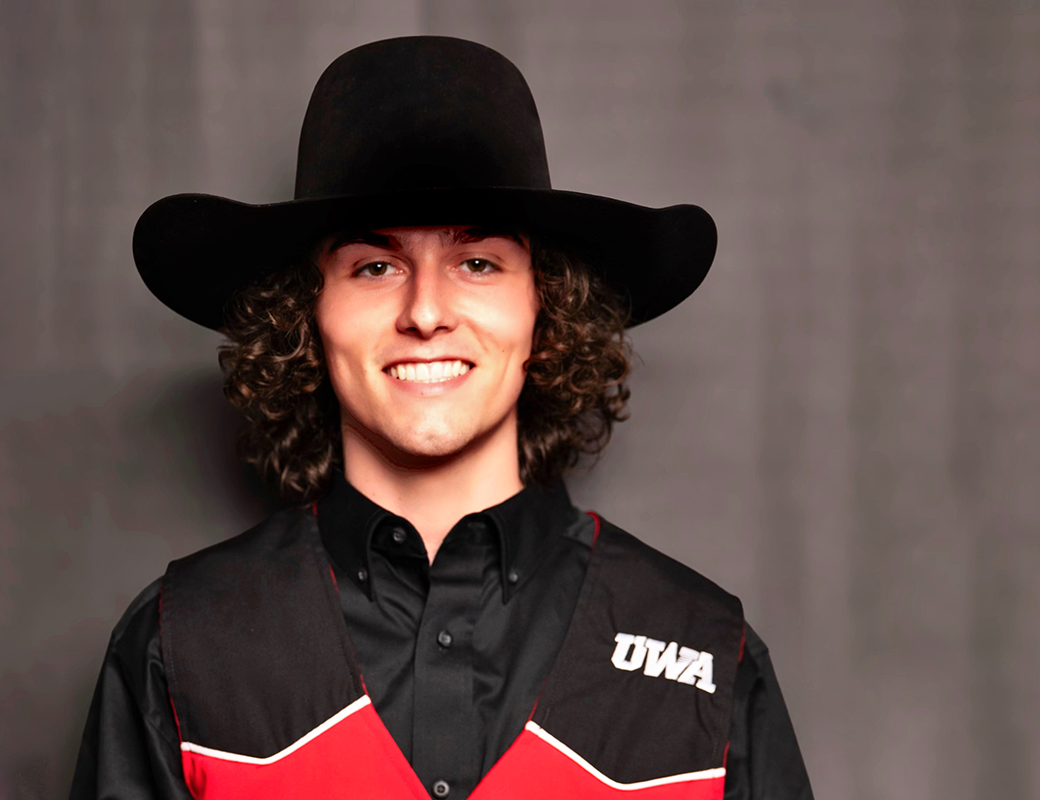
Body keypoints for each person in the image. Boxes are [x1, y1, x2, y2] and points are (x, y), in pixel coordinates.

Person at [70, 36, 813, 800]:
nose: (425, 312)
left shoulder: (707, 657)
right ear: (307, 313)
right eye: (375, 266)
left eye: (478, 262)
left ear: (546, 304)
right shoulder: (182, 643)